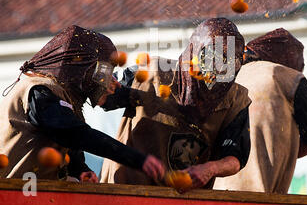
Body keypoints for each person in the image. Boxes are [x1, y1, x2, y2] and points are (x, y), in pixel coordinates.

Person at [0, 25, 165, 182]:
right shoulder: (39, 90)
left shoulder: (62, 100)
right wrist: (139, 159)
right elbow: (74, 134)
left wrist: (81, 170)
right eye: (105, 72)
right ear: (81, 68)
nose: (111, 82)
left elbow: (66, 139)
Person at [100, 18, 252, 190]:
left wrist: (210, 168)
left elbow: (235, 157)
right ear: (193, 53)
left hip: (185, 199)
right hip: (127, 190)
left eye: (227, 64)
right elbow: (102, 97)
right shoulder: (150, 73)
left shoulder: (236, 99)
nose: (216, 72)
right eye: (211, 59)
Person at [213, 28, 307, 193]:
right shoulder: (287, 77)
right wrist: (282, 152)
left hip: (213, 195)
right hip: (262, 196)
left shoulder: (228, 77)